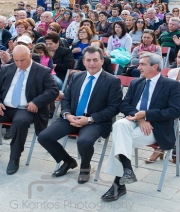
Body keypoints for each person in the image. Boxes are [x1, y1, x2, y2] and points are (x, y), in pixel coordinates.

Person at [101, 52, 180, 201]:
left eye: (142, 64)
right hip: (135, 121)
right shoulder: (136, 83)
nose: (138, 67)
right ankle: (126, 171)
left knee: (120, 141)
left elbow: (175, 111)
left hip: (156, 128)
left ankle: (118, 183)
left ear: (155, 66)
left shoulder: (171, 85)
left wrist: (147, 115)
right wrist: (140, 118)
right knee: (119, 124)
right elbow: (124, 104)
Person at [38, 46, 122, 184]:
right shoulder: (76, 76)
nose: (92, 63)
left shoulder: (112, 81)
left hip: (96, 121)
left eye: (95, 60)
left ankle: (85, 167)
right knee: (44, 137)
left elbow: (114, 108)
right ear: (83, 62)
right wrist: (66, 114)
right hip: (72, 118)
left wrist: (89, 119)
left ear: (102, 61)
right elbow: (66, 99)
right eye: (88, 60)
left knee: (84, 141)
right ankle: (67, 161)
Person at [0, 45, 59, 175]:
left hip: (26, 108)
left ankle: (14, 158)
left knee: (20, 122)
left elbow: (53, 91)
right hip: (5, 107)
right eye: (16, 60)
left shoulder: (42, 71)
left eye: (22, 60)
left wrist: (36, 102)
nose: (19, 64)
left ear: (29, 56)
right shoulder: (6, 68)